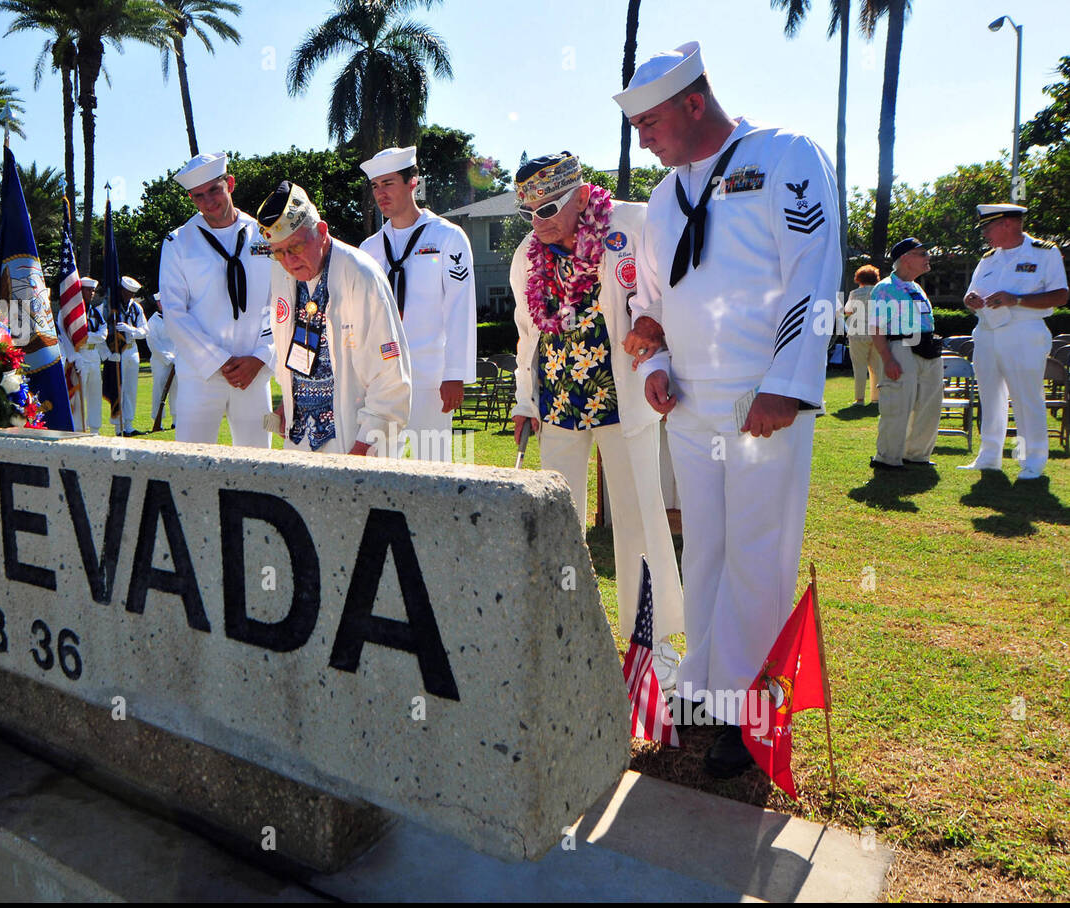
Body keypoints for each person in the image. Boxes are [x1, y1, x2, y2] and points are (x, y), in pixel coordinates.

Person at [617, 41, 841, 776]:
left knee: (758, 555)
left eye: (649, 122)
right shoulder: (659, 199)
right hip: (689, 404)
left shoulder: (784, 156)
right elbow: (649, 304)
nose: (641, 138)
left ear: (693, 101)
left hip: (760, 398)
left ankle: (755, 718)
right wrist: (651, 359)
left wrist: (788, 380)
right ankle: (709, 697)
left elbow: (814, 272)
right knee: (706, 552)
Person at [507, 151, 683, 645]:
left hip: (623, 396)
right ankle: (564, 638)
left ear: (582, 196)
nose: (537, 223)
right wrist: (524, 401)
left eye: (547, 210)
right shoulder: (528, 253)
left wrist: (657, 327)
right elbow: (526, 332)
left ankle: (651, 646)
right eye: (529, 212)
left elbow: (674, 290)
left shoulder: (634, 223)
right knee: (558, 521)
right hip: (557, 404)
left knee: (639, 520)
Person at [257, 180, 411, 456]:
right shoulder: (281, 273)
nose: (289, 261)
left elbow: (390, 376)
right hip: (298, 434)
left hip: (355, 435)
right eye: (278, 253)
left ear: (322, 231)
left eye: (295, 248)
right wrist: (289, 402)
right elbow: (294, 350)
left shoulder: (361, 274)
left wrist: (365, 446)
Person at [359, 145, 477, 461]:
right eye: (375, 186)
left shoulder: (447, 237)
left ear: (413, 182)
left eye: (389, 184)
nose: (381, 194)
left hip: (430, 377)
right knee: (379, 467)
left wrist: (455, 373)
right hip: (381, 380)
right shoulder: (369, 249)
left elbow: (459, 308)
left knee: (433, 466)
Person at [159, 152, 275, 447]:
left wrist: (262, 356)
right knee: (192, 466)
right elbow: (174, 313)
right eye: (198, 196)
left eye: (214, 190)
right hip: (201, 376)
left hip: (254, 372)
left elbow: (282, 301)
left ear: (230, 184)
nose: (209, 202)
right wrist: (219, 361)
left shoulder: (265, 235)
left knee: (260, 465)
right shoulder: (178, 243)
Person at [961, 203, 1069, 480]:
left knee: (1026, 398)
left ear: (1007, 223)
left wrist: (1017, 299)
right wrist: (969, 301)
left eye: (987, 227)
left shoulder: (1044, 253)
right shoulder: (988, 259)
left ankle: (1031, 460)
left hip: (1024, 331)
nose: (984, 233)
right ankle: (989, 456)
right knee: (990, 396)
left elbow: (1060, 295)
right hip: (986, 331)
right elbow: (971, 294)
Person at [868, 238, 942, 470]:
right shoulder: (885, 288)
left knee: (929, 405)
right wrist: (888, 359)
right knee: (897, 404)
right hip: (902, 348)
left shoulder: (916, 287)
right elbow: (876, 327)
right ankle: (888, 458)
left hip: (928, 348)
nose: (928, 257)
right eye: (922, 253)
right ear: (906, 258)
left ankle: (917, 455)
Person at [101, 275, 147, 436]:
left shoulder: (136, 308)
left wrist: (130, 329)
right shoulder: (110, 306)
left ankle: (129, 425)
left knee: (131, 389)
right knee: (118, 388)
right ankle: (118, 426)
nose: (130, 297)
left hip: (132, 349)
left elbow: (144, 331)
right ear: (121, 291)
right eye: (127, 293)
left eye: (132, 294)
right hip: (116, 351)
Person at [843, 264, 882, 406]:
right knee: (876, 367)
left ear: (859, 278)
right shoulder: (880, 293)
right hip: (876, 333)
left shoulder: (854, 293)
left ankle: (859, 399)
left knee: (859, 367)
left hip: (858, 333)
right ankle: (876, 399)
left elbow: (847, 311)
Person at [72, 276, 106, 432]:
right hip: (80, 355)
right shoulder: (72, 312)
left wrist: (88, 336)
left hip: (93, 355)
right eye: (88, 290)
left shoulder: (95, 312)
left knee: (95, 394)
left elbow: (103, 333)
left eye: (93, 290)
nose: (92, 293)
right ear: (81, 291)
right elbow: (71, 335)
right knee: (80, 396)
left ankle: (94, 428)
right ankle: (79, 428)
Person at [145, 292, 177, 430]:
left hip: (177, 360)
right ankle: (158, 420)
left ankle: (177, 419)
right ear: (158, 303)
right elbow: (153, 343)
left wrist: (177, 357)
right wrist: (169, 358)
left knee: (176, 390)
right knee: (159, 390)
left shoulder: (175, 318)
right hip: (160, 361)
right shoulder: (153, 321)